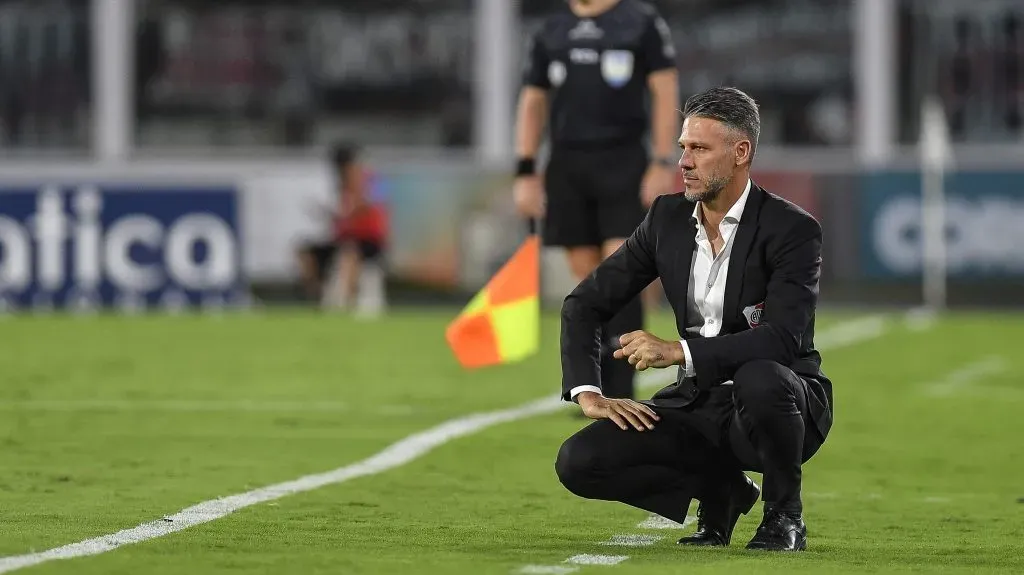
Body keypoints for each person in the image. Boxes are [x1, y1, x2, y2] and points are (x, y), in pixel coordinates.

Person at [553, 87, 833, 552]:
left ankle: (785, 517)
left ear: (741, 152)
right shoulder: (666, 218)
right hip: (696, 405)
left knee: (762, 377)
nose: (683, 161)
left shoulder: (792, 230)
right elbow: (583, 304)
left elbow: (783, 339)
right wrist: (589, 392)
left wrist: (676, 351)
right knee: (578, 461)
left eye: (699, 149)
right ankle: (721, 487)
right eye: (683, 147)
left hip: (782, 403)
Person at [513, 0, 679, 400]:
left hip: (623, 160)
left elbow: (664, 89)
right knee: (586, 277)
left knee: (618, 270)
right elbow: (533, 100)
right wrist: (525, 170)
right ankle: (595, 380)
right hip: (567, 164)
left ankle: (621, 389)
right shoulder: (552, 30)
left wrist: (661, 160)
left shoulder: (639, 22)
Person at [298, 144, 388, 316]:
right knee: (305, 253)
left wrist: (347, 212)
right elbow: (341, 217)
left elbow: (372, 205)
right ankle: (316, 296)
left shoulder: (374, 180)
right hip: (345, 239)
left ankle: (343, 301)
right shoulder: (341, 185)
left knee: (349, 254)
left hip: (370, 239)